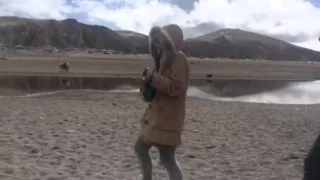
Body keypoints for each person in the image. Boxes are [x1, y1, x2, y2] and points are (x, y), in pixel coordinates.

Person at [135, 24, 190, 180]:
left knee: (167, 159)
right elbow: (153, 93)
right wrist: (145, 87)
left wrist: (154, 79)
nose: (157, 46)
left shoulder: (179, 58)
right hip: (155, 119)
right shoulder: (161, 62)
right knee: (141, 149)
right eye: (155, 43)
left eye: (160, 41)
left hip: (168, 120)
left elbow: (177, 88)